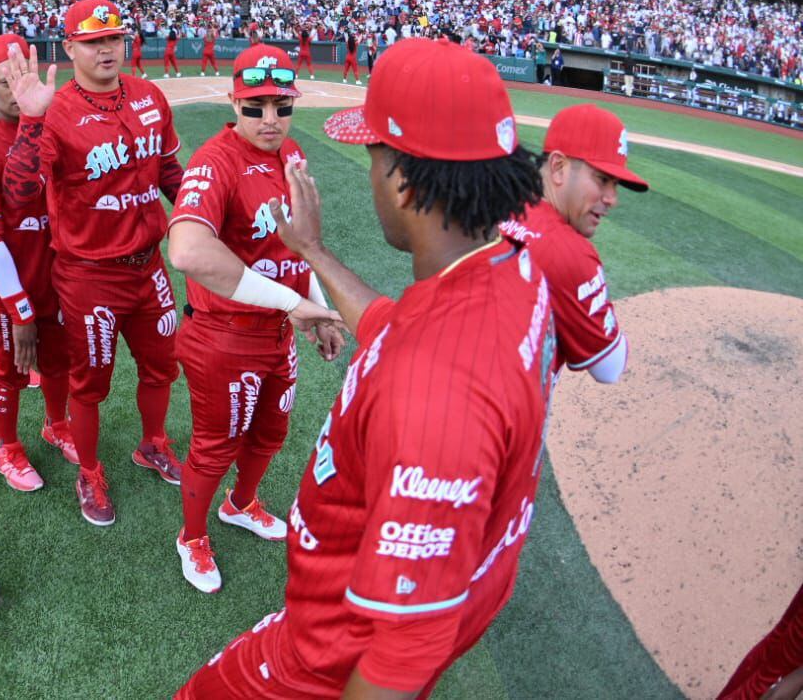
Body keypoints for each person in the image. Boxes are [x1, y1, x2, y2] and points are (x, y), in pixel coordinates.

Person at [178, 38, 553, 699]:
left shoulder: (437, 400)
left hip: (323, 656)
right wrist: (314, 256)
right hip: (320, 622)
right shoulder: (511, 268)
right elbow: (404, 329)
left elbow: (403, 653)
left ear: (401, 180)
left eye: (374, 154)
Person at [165, 45, 345, 593]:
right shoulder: (216, 160)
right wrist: (294, 305)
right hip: (223, 337)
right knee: (216, 445)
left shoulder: (289, 154)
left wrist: (315, 308)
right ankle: (191, 536)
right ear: (234, 103)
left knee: (271, 431)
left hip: (275, 334)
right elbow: (189, 252)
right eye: (255, 107)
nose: (269, 120)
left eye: (280, 106)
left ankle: (241, 504)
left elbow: (301, 249)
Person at [0, 0, 185, 527]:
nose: (107, 48)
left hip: (149, 265)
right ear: (70, 47)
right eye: (94, 41)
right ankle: (89, 470)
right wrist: (32, 120)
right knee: (90, 382)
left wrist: (199, 209)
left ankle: (153, 443)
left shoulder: (149, 95)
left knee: (161, 364)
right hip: (89, 273)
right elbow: (18, 191)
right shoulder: (54, 111)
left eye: (114, 38)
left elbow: (166, 169)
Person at [0, 34, 74, 493]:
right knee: (8, 366)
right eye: (6, 81)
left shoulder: (48, 125)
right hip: (2, 280)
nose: (18, 88)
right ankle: (6, 446)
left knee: (59, 359)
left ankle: (57, 424)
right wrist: (19, 310)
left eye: (26, 76)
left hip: (52, 270)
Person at [502, 104, 647, 386]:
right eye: (602, 180)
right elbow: (609, 367)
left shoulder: (496, 201)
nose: (611, 198)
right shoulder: (568, 253)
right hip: (498, 422)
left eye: (615, 184)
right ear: (558, 167)